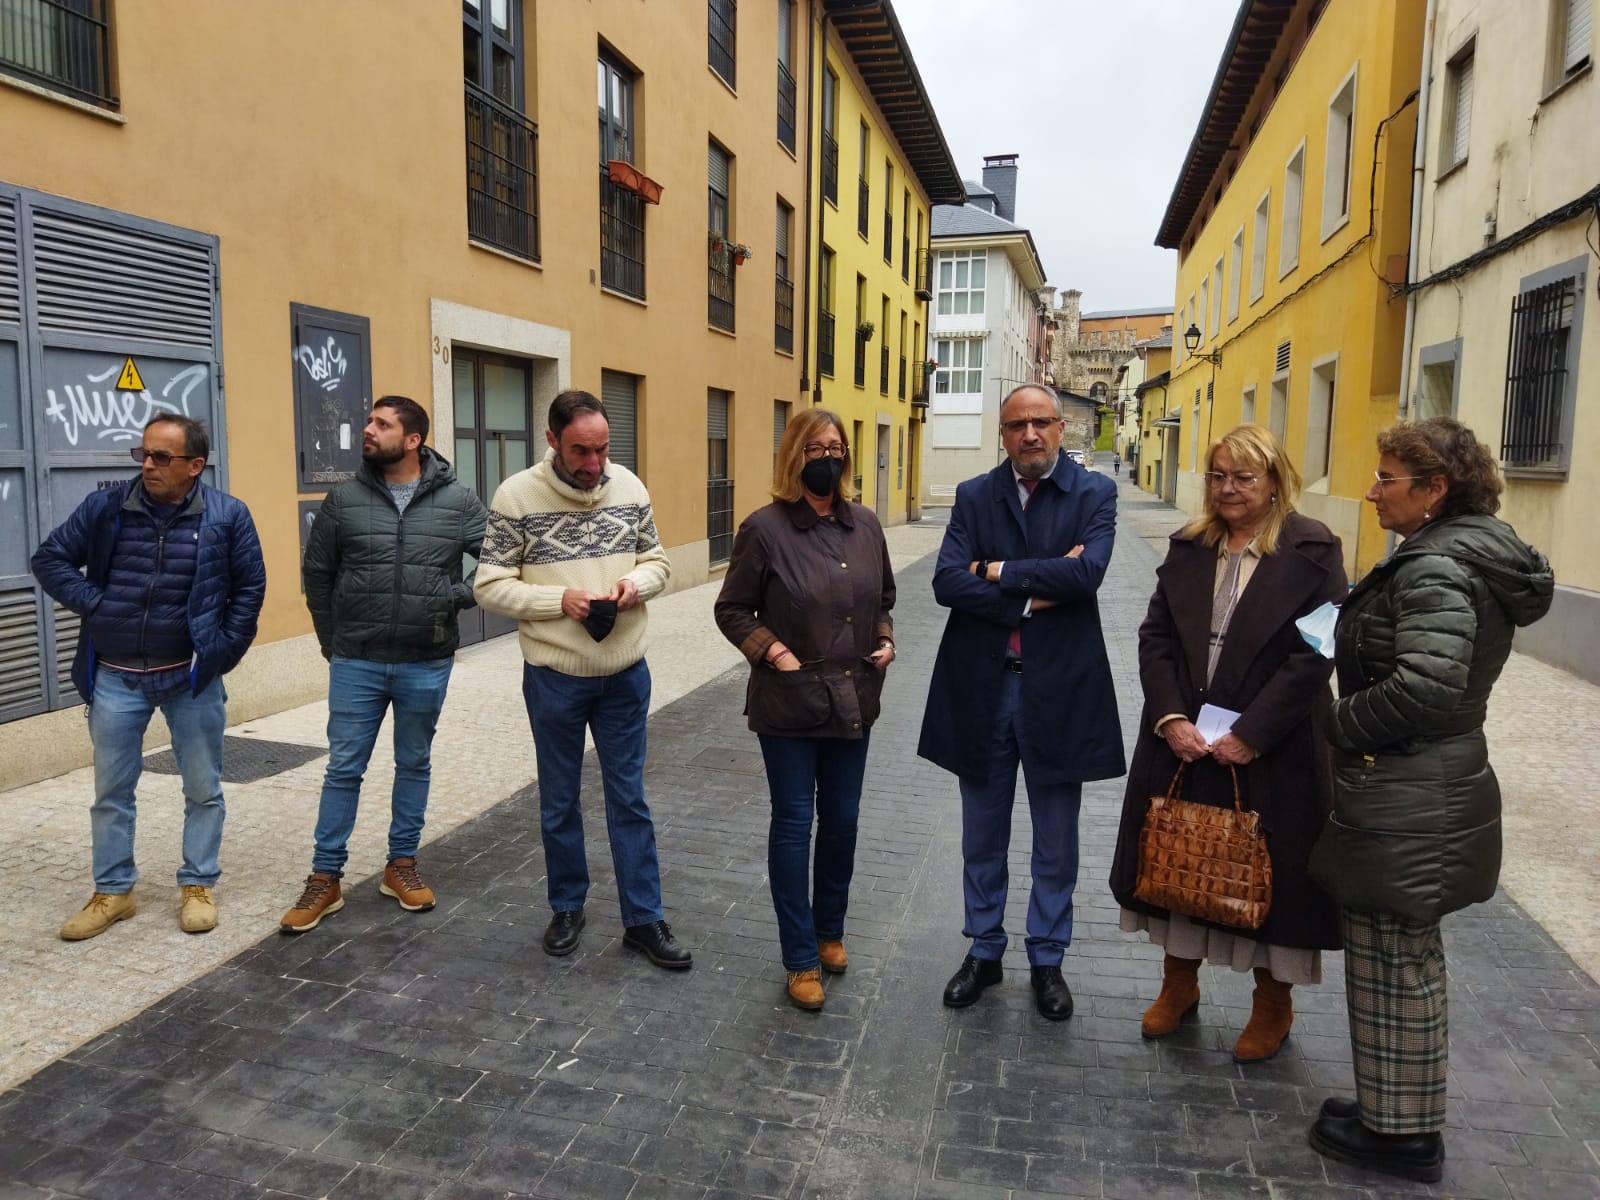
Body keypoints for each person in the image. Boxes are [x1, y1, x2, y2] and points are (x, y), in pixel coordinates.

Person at [1306, 418, 1551, 1183]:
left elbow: (1426, 686)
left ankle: (1405, 1136)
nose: (1373, 492)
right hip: (1423, 785)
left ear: (1435, 490)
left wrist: (1339, 725)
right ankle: (1391, 1108)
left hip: (1410, 787)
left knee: (1395, 954)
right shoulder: (1455, 552)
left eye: (1387, 479)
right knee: (1394, 953)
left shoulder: (1436, 569)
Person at [1109, 424, 1347, 1062]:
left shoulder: (1313, 549)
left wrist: (1252, 733)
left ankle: (1273, 1003)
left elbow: (1316, 651)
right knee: (1177, 860)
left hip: (1277, 747)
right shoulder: (1191, 544)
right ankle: (1177, 986)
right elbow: (1155, 635)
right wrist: (1169, 717)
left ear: (1274, 480)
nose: (1228, 489)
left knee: (1275, 879)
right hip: (1185, 739)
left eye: (1244, 477)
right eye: (1218, 476)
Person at [918, 383, 1124, 1020]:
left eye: (1040, 423)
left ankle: (1047, 958)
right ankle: (983, 949)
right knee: (983, 830)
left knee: (1056, 836)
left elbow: (1087, 575)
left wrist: (996, 569)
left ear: (1062, 428)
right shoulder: (976, 495)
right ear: (1001, 435)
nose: (1029, 435)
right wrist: (1037, 583)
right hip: (983, 685)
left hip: (1059, 686)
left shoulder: (1095, 493)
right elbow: (947, 581)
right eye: (1015, 426)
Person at [473, 389, 690, 970]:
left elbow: (659, 563)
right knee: (559, 801)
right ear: (551, 442)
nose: (594, 465)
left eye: (602, 450)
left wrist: (634, 587)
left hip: (625, 673)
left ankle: (644, 920)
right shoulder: (516, 497)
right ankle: (567, 906)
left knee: (630, 800)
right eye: (580, 452)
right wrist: (558, 600)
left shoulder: (630, 487)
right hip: (554, 677)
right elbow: (488, 586)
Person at [31, 415, 265, 940]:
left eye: (162, 457)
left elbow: (249, 591)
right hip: (116, 677)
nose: (148, 466)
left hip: (189, 678)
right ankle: (114, 891)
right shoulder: (106, 508)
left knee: (203, 789)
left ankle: (199, 883)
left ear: (195, 465)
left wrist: (221, 653)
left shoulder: (228, 516)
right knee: (111, 793)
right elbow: (50, 559)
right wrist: (98, 604)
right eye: (144, 455)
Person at [282, 396, 487, 933]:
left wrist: (453, 596)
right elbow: (317, 575)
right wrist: (335, 642)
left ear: (413, 440)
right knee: (343, 768)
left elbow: (498, 562)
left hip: (425, 658)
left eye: (381, 424)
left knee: (413, 763)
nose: (367, 430)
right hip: (357, 660)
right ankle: (325, 878)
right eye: (369, 420)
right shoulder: (344, 498)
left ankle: (401, 865)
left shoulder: (459, 501)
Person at [714, 409, 896, 1011]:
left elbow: (884, 596)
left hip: (854, 697)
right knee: (795, 826)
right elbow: (733, 609)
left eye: (838, 446)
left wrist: (886, 639)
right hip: (790, 702)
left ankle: (829, 932)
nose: (830, 456)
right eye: (817, 446)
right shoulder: (764, 529)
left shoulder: (865, 525)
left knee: (842, 821)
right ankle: (799, 958)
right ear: (795, 455)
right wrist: (775, 653)